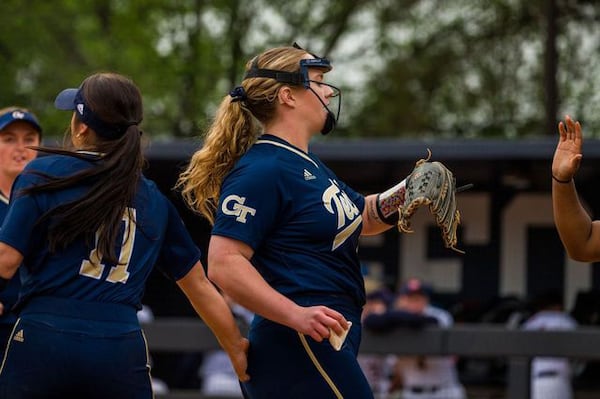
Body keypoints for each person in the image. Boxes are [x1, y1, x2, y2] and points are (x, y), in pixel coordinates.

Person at [177, 44, 415, 398]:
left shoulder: (308, 165)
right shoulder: (263, 167)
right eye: (318, 81)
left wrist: (412, 189)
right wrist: (295, 315)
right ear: (287, 96)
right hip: (298, 336)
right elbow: (223, 264)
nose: (329, 91)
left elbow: (363, 216)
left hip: (323, 330)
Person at [0, 72, 248, 399]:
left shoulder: (44, 172)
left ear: (81, 125)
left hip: (45, 336)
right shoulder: (152, 198)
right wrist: (236, 348)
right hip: (119, 344)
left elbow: (6, 262)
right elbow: (200, 286)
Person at [0, 107, 42, 354]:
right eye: (8, 139)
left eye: (29, 140)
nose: (21, 148)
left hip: (38, 327)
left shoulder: (53, 201)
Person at [388, 279, 466, 399]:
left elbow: (429, 322)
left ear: (426, 299)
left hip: (444, 390)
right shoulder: (394, 320)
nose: (415, 303)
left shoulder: (440, 316)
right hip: (412, 392)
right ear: (402, 300)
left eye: (418, 298)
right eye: (410, 298)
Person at [522, 291, 578, 399]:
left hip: (536, 381)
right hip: (558, 380)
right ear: (556, 306)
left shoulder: (532, 322)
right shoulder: (564, 320)